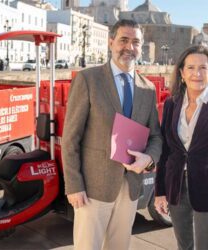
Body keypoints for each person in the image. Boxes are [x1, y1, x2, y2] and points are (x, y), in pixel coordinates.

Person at [62, 19, 162, 250]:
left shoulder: (148, 89)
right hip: (92, 187)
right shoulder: (89, 79)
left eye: (135, 42)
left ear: (141, 46)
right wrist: (74, 185)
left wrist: (149, 159)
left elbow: (156, 136)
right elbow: (71, 138)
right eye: (123, 40)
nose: (129, 47)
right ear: (111, 42)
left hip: (130, 188)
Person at [154, 45, 208, 250]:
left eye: (203, 67)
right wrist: (160, 192)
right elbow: (166, 152)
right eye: (191, 68)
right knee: (184, 246)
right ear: (182, 73)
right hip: (176, 188)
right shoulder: (172, 104)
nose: (197, 73)